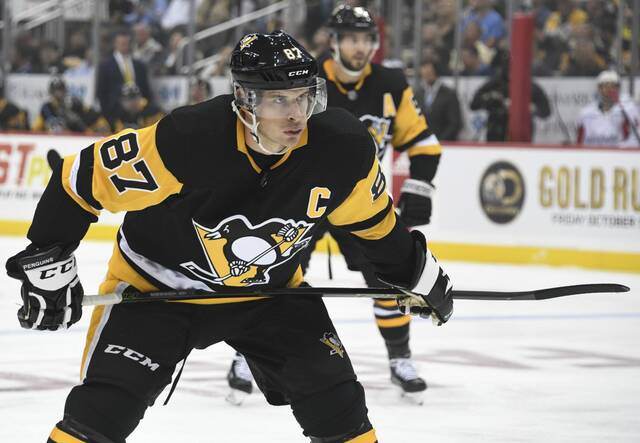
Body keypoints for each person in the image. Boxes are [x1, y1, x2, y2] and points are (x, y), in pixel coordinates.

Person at [5, 30, 453, 443]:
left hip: (270, 294)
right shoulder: (187, 139)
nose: (296, 114)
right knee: (100, 415)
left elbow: (376, 229)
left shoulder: (341, 150)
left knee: (341, 411)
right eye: (278, 100)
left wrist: (417, 272)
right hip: (157, 291)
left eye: (303, 97)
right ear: (243, 98)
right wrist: (48, 262)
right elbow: (78, 181)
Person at [226, 5, 446, 406]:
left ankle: (400, 358)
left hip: (360, 199)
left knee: (387, 277)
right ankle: (246, 354)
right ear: (334, 40)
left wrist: (419, 186)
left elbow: (423, 142)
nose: (359, 47)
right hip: (301, 196)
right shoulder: (306, 78)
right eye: (351, 38)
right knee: (272, 274)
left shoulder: (391, 83)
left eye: (366, 39)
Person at [470, 49, 551, 141]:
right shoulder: (495, 84)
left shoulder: (530, 87)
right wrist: (492, 99)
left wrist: (530, 108)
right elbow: (474, 104)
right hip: (497, 128)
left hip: (522, 131)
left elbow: (546, 111)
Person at [96, 29, 153, 124]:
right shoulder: (105, 66)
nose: (124, 46)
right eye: (122, 43)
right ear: (115, 44)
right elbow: (102, 92)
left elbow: (145, 89)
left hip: (139, 108)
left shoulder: (139, 65)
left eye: (126, 43)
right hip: (116, 111)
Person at [576, 70, 640, 147]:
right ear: (599, 88)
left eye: (613, 86)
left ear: (619, 88)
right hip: (591, 155)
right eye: (605, 85)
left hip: (619, 156)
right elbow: (580, 141)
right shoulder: (586, 113)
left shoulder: (629, 110)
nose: (609, 89)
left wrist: (621, 149)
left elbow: (636, 138)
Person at [32, 76, 111, 134]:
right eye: (56, 90)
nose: (58, 93)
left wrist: (77, 121)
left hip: (73, 140)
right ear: (51, 92)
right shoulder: (46, 108)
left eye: (61, 89)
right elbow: (35, 129)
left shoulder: (75, 104)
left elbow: (97, 118)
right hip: (52, 141)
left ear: (65, 90)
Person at [414, 60, 463, 141]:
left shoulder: (449, 94)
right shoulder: (418, 94)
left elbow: (454, 123)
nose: (426, 76)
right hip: (422, 142)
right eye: (424, 73)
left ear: (436, 73)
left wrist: (441, 140)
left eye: (429, 73)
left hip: (444, 142)